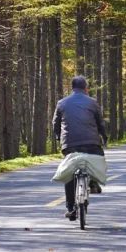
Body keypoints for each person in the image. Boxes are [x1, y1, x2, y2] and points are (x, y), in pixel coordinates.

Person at [52, 75, 108, 220]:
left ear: (72, 88)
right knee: (97, 157)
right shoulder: (93, 103)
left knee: (69, 173)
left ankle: (70, 208)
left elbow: (55, 124)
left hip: (69, 144)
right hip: (92, 143)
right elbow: (100, 123)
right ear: (86, 88)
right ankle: (94, 183)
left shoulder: (62, 103)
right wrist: (104, 137)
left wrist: (59, 138)